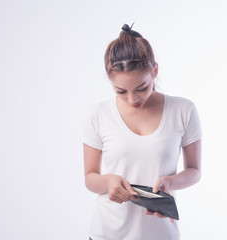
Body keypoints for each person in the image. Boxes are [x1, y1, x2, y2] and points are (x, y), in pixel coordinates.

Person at [83, 23, 202, 240]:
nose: (132, 99)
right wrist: (109, 182)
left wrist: (170, 182)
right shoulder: (97, 114)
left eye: (142, 88)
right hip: (107, 233)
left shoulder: (183, 110)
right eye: (121, 91)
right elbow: (90, 178)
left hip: (161, 234)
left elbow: (194, 170)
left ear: (155, 70)